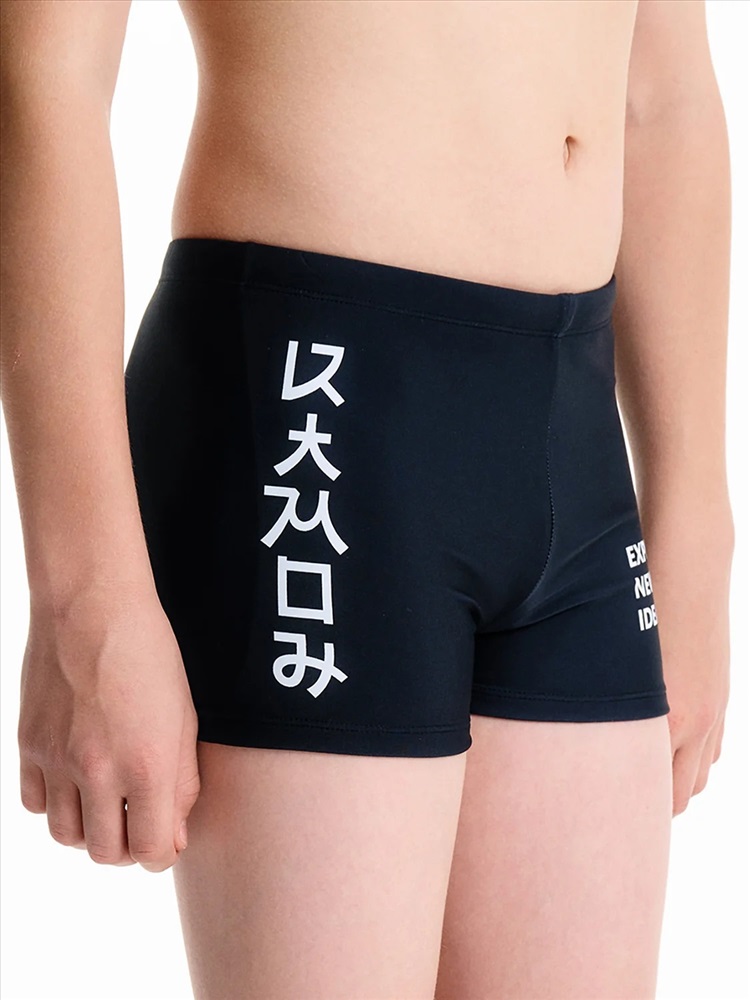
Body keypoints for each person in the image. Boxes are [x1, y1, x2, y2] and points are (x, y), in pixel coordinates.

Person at [0, 0, 733, 998]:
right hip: (322, 393)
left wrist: (697, 519)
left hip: (572, 429)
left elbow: (662, 95)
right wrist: (84, 594)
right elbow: (47, 73)